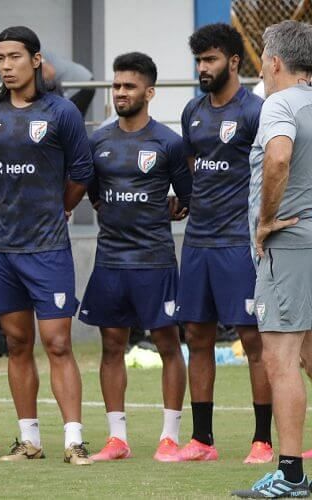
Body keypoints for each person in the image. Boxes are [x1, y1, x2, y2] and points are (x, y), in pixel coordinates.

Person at [0, 26, 93, 465]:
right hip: (3, 249)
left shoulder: (61, 112)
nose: (6, 66)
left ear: (36, 60)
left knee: (58, 342)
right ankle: (29, 440)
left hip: (48, 248)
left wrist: (57, 210)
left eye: (15, 57)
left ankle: (74, 440)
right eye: (0, 58)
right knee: (17, 344)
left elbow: (81, 173)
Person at [79, 52, 190, 462]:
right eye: (117, 85)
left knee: (167, 344)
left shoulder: (169, 142)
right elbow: (93, 192)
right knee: (111, 346)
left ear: (150, 91)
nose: (121, 92)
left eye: (129, 86)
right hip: (110, 260)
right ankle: (117, 439)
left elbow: (184, 198)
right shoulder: (99, 141)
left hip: (155, 260)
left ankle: (168, 437)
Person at [175, 23, 272, 464]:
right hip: (197, 241)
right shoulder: (192, 110)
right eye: (199, 60)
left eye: (210, 59)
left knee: (254, 339)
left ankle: (263, 439)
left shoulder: (256, 111)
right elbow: (195, 169)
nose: (202, 68)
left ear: (233, 62)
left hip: (239, 242)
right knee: (197, 335)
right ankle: (202, 439)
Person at [233, 20, 312, 498]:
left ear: (276, 62)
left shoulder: (279, 103)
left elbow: (278, 158)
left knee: (280, 360)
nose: (261, 67)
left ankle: (291, 476)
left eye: (263, 58)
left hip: (290, 244)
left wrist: (266, 219)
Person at [0, 39, 95, 116]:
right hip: (70, 88)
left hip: (78, 84)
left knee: (67, 129)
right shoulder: (2, 63)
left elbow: (48, 73)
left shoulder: (10, 48)